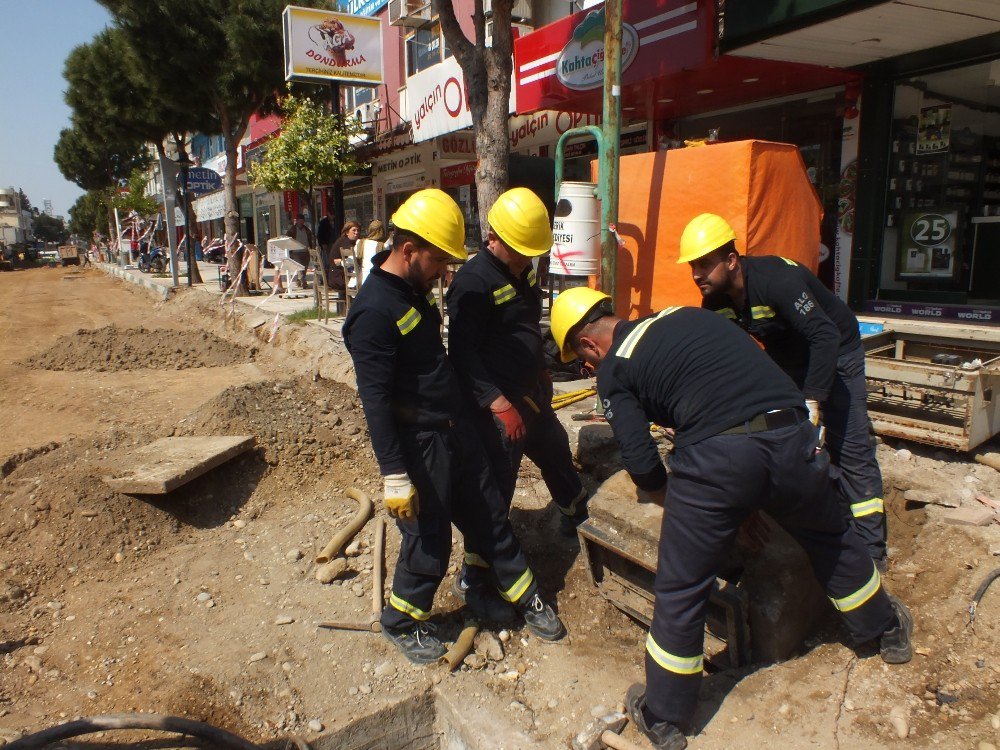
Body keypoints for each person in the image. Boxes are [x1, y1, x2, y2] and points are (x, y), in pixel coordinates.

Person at [549, 287, 913, 750]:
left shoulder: (616, 368)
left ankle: (664, 715)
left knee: (682, 586)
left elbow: (644, 467)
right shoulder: (681, 315)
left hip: (719, 461)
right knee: (832, 537)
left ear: (589, 344)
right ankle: (884, 632)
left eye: (585, 365)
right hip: (793, 434)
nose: (590, 371)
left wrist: (715, 506)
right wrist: (740, 501)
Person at [342, 189, 566, 664]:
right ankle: (402, 621)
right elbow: (376, 403)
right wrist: (395, 475)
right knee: (430, 539)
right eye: (440, 259)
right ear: (409, 251)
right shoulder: (372, 313)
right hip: (420, 444)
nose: (447, 270)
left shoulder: (412, 292)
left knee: (490, 516)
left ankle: (526, 599)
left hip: (454, 429)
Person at [679, 213, 887, 572]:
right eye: (692, 266)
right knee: (791, 441)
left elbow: (824, 336)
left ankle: (871, 549)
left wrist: (812, 398)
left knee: (849, 444)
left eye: (704, 264)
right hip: (787, 358)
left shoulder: (777, 280)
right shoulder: (715, 301)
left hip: (836, 351)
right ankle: (821, 516)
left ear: (731, 260)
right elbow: (718, 354)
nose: (697, 274)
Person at [446, 187, 587, 619]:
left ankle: (572, 514)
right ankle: (476, 573)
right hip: (498, 406)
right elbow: (463, 356)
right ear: (495, 238)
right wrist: (497, 402)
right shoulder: (472, 283)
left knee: (557, 453)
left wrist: (541, 370)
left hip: (532, 393)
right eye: (521, 251)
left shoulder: (523, 268)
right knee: (495, 489)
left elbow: (525, 324)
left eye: (533, 253)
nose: (529, 261)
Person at [328, 220, 360, 294]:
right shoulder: (346, 242)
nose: (356, 232)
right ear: (347, 232)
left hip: (336, 276)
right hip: (339, 279)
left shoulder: (343, 240)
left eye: (358, 230)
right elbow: (356, 259)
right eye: (354, 230)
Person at [285, 214, 315, 289]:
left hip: (305, 251)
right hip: (296, 252)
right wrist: (290, 251)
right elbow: (288, 239)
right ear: (297, 221)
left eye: (303, 220)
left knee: (304, 268)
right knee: (299, 267)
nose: (301, 222)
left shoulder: (306, 230)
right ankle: (303, 282)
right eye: (300, 220)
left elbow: (310, 239)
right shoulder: (292, 230)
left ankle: (299, 280)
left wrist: (311, 248)